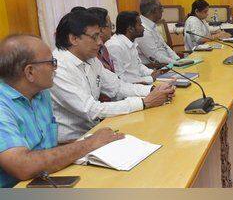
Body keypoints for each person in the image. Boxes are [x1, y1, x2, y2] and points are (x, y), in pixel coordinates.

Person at [0, 34, 124, 188]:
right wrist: (90, 143)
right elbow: (23, 166)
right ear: (30, 72)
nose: (56, 67)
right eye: (51, 62)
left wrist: (95, 141)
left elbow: (43, 148)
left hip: (45, 181)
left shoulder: (41, 93)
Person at [50, 10, 175, 143]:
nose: (100, 42)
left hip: (97, 130)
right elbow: (91, 110)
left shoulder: (90, 59)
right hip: (72, 142)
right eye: (95, 37)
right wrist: (144, 102)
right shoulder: (58, 67)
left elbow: (117, 87)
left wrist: (153, 90)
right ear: (74, 39)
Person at [106, 11, 165, 84]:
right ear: (130, 29)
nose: (143, 28)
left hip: (139, 83)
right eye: (140, 25)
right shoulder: (115, 46)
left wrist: (152, 72)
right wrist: (150, 78)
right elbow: (120, 79)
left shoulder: (131, 41)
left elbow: (138, 66)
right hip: (130, 88)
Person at [136, 0, 180, 66]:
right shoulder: (142, 30)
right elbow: (155, 57)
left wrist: (177, 59)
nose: (162, 10)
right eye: (160, 7)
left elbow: (165, 46)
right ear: (154, 10)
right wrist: (176, 63)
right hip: (158, 68)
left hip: (170, 64)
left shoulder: (152, 25)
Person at [86, 7, 115, 73]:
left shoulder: (103, 48)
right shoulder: (89, 53)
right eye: (110, 25)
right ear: (101, 29)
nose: (112, 30)